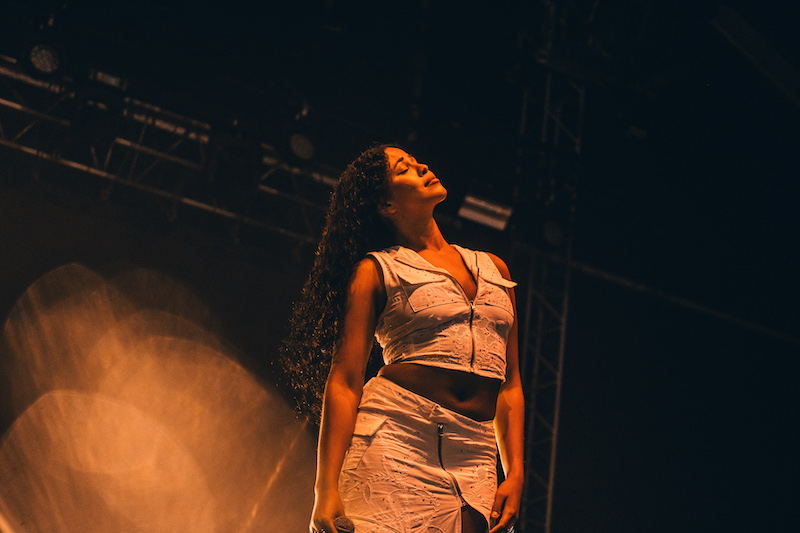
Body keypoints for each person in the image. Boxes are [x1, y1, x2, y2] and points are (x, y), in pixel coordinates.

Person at [280, 145, 524, 533]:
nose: (422, 166)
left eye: (415, 161)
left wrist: (515, 471)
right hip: (396, 438)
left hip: (476, 455)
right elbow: (345, 382)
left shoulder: (495, 269)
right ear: (386, 205)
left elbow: (509, 384)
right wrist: (325, 489)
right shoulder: (377, 270)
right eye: (403, 169)